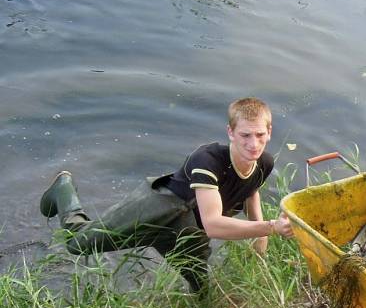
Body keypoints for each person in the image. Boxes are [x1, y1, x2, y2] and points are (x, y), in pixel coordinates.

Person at [39, 97, 294, 293]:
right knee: (78, 245)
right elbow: (214, 225)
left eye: (260, 135)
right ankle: (63, 188)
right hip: (159, 208)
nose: (253, 144)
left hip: (188, 229)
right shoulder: (207, 160)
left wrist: (260, 241)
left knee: (202, 288)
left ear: (269, 132)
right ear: (230, 132)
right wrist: (270, 227)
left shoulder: (264, 163)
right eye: (245, 135)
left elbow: (251, 190)